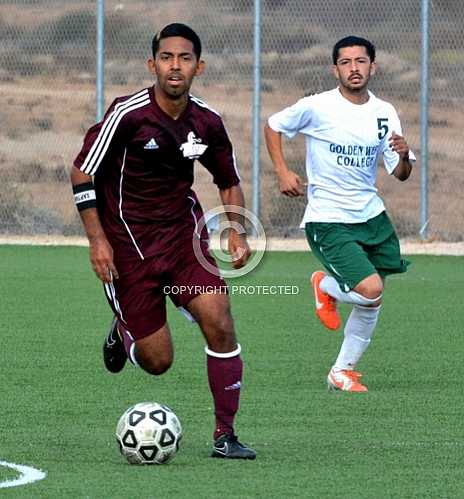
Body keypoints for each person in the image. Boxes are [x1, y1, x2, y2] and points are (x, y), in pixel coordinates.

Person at [71, 23, 256, 458]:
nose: (176, 66)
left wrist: (235, 229)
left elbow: (228, 181)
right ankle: (125, 331)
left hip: (183, 239)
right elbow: (82, 172)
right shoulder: (127, 115)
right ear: (152, 64)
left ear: (199, 66)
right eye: (168, 58)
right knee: (158, 362)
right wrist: (97, 241)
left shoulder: (207, 122)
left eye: (185, 58)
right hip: (127, 246)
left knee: (220, 319)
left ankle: (225, 436)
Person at [264, 36, 415, 392]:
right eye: (346, 62)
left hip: (371, 215)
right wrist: (283, 172)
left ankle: (342, 371)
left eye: (361, 61)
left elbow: (401, 173)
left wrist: (406, 155)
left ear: (372, 67)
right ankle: (326, 285)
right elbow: (273, 125)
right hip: (328, 217)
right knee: (369, 289)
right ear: (335, 69)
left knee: (371, 298)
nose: (354, 68)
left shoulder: (385, 112)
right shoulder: (317, 106)